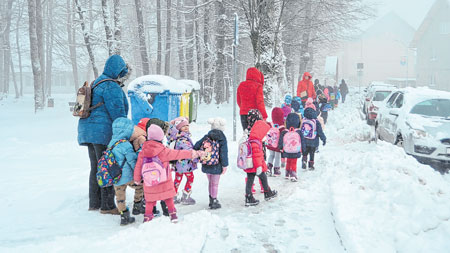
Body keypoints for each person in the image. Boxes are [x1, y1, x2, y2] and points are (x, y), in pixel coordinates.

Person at [78, 54, 130, 214]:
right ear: (117, 70)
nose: (122, 75)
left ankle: (95, 203)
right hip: (103, 134)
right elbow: (119, 114)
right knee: (107, 166)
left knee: (96, 167)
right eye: (122, 71)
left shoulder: (97, 83)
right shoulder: (110, 86)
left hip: (88, 132)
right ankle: (107, 206)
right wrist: (126, 133)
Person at [134, 125, 205, 223]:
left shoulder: (143, 152)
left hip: (149, 182)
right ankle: (173, 215)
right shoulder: (163, 151)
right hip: (164, 181)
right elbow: (178, 153)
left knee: (150, 201)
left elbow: (138, 166)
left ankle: (147, 217)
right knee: (168, 199)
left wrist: (137, 179)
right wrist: (191, 153)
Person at [108, 118, 144, 226]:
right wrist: (139, 153)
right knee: (139, 187)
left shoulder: (111, 143)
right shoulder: (126, 145)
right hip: (127, 177)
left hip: (115, 177)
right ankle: (137, 205)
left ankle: (124, 216)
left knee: (120, 197)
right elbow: (132, 160)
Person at [194, 118, 228, 209]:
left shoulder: (207, 136)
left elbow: (196, 145)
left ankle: (211, 199)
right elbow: (223, 152)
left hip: (206, 163)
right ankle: (214, 200)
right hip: (217, 165)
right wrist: (225, 165)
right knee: (215, 183)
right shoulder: (222, 138)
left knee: (210, 182)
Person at [244, 120, 278, 206]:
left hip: (251, 166)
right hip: (255, 166)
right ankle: (266, 193)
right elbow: (256, 156)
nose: (266, 137)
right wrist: (259, 166)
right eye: (265, 134)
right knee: (262, 178)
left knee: (251, 180)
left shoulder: (252, 139)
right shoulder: (255, 142)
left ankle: (250, 196)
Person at [172, 117, 198, 205]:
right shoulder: (183, 139)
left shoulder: (179, 137)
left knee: (177, 180)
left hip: (179, 165)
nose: (186, 127)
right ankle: (185, 196)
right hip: (185, 165)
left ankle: (173, 196)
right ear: (179, 128)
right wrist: (196, 156)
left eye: (187, 125)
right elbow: (189, 151)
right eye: (184, 126)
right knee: (190, 178)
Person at [278, 113, 305, 182]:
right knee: (294, 162)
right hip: (296, 150)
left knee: (289, 161)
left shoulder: (284, 131)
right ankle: (293, 175)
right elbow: (302, 141)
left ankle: (287, 174)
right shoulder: (299, 132)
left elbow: (281, 140)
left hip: (287, 150)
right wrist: (304, 149)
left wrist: (280, 147)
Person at [301, 99, 326, 170]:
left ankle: (304, 160)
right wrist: (324, 139)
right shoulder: (316, 121)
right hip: (313, 141)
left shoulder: (304, 120)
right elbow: (320, 132)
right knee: (312, 153)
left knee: (305, 152)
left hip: (305, 140)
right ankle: (311, 165)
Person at [266, 108, 284, 177]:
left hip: (270, 144)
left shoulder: (270, 124)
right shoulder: (282, 126)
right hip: (278, 145)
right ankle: (276, 170)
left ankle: (268, 167)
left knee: (271, 155)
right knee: (277, 157)